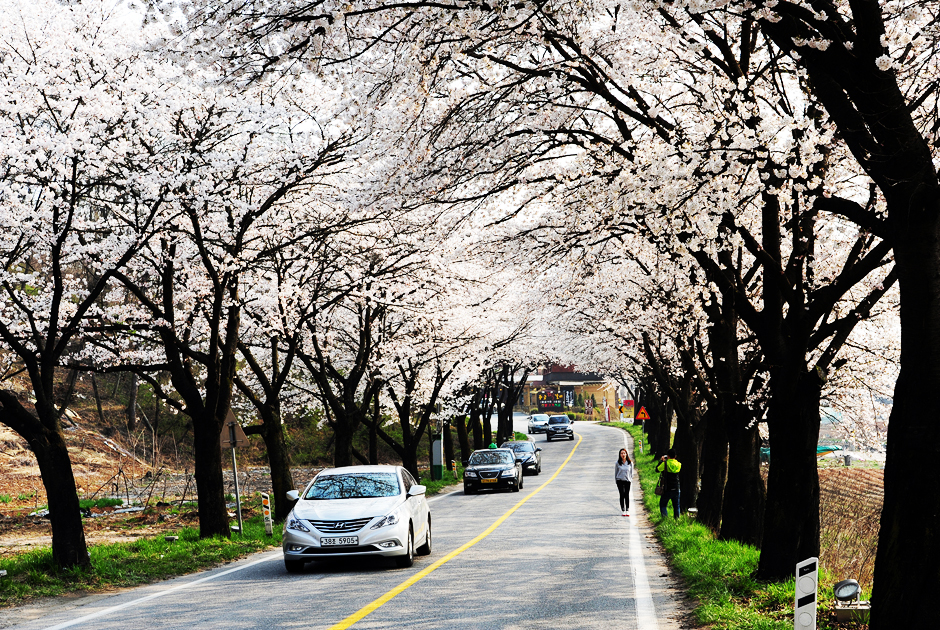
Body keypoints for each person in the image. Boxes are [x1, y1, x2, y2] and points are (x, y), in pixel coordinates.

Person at [655, 448, 682, 519]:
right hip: (676, 487)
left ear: (668, 456)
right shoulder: (678, 464)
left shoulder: (665, 464)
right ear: (675, 456)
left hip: (667, 488)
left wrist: (661, 461)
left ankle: (665, 519)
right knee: (676, 506)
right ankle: (677, 520)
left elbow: (657, 469)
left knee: (663, 505)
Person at [615, 447, 634, 516]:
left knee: (626, 494)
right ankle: (623, 510)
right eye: (621, 453)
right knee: (621, 494)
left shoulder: (630, 463)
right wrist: (616, 480)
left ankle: (627, 509)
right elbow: (616, 472)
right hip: (619, 480)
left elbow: (631, 473)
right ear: (620, 455)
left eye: (624, 453)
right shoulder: (617, 463)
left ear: (626, 454)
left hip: (627, 481)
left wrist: (630, 479)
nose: (623, 454)